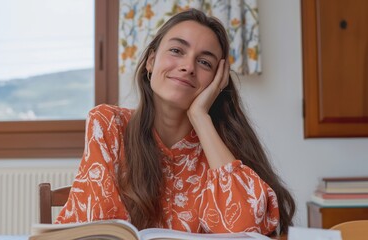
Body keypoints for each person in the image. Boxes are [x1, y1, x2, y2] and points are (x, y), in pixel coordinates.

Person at [56, 8, 295, 235]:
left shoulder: (222, 145)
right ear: (151, 61)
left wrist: (200, 117)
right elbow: (102, 229)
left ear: (217, 81)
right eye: (177, 51)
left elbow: (246, 229)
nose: (188, 67)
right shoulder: (108, 124)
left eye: (205, 63)